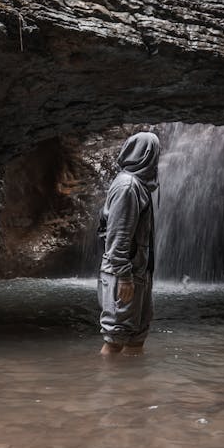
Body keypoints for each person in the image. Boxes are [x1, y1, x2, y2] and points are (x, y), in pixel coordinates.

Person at [97, 131, 160, 356]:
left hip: (139, 272)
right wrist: (124, 276)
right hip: (125, 274)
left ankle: (133, 389)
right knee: (116, 336)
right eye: (155, 153)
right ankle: (105, 387)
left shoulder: (139, 185)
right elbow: (118, 236)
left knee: (136, 337)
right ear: (147, 155)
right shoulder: (128, 186)